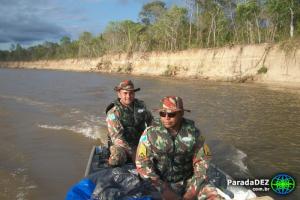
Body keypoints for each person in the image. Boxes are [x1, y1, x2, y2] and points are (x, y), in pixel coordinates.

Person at [135, 96, 222, 200]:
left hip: (188, 182)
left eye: (171, 114)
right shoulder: (150, 133)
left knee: (213, 196)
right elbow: (142, 164)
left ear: (181, 114)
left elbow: (203, 161)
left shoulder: (194, 133)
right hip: (159, 183)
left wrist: (192, 191)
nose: (166, 117)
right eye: (163, 114)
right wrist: (163, 188)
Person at [105, 80, 153, 166]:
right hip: (122, 145)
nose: (128, 96)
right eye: (125, 93)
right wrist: (133, 153)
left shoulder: (141, 106)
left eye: (131, 93)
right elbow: (117, 139)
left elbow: (151, 122)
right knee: (117, 158)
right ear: (119, 94)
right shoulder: (113, 112)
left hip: (140, 142)